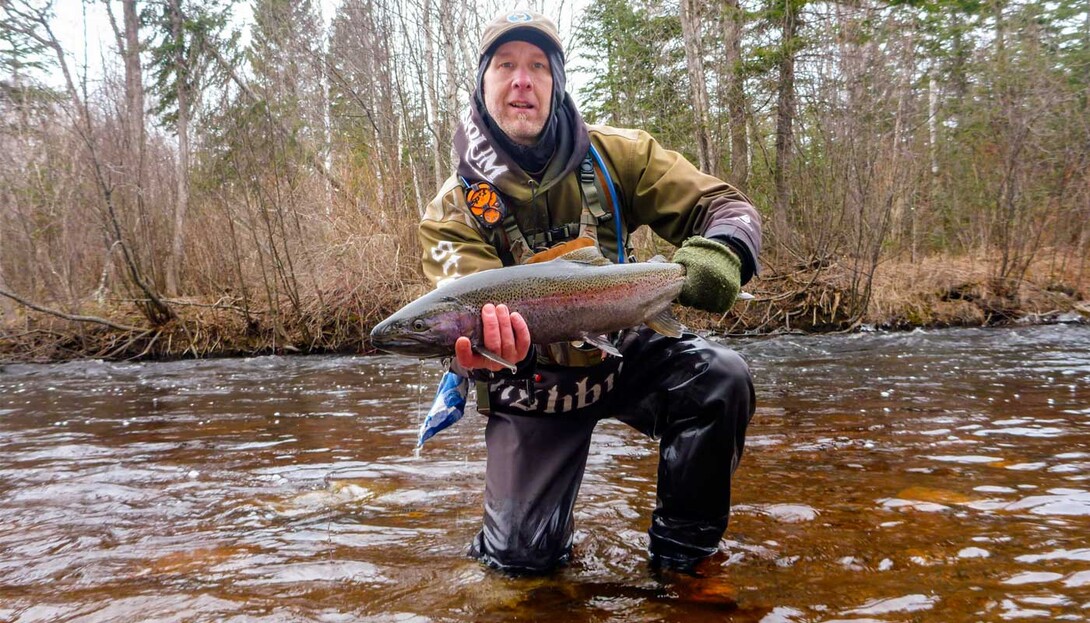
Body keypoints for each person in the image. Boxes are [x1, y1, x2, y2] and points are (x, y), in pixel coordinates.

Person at [417, 9, 761, 575]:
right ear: (482, 84)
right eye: (505, 65)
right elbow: (463, 305)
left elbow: (726, 206)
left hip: (623, 347)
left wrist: (724, 251)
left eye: (537, 66)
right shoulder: (452, 208)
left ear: (555, 84)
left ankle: (686, 568)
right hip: (531, 385)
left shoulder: (617, 153)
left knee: (719, 379)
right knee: (520, 566)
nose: (521, 80)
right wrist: (481, 359)